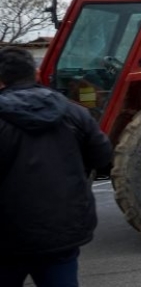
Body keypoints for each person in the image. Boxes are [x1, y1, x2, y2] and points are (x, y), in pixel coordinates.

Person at [0, 46, 113, 287]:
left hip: (7, 237)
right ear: (38, 74)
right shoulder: (76, 113)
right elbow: (103, 157)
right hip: (62, 233)